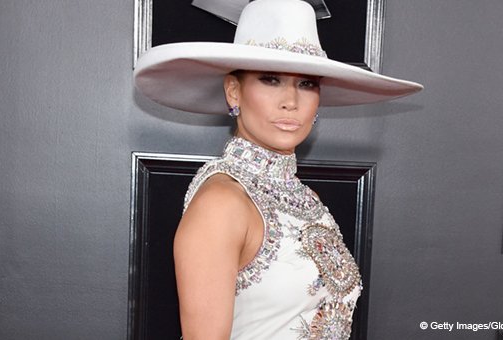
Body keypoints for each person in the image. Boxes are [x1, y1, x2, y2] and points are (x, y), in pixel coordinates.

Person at [133, 0, 422, 339]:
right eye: (270, 79)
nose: (291, 101)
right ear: (233, 91)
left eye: (307, 84)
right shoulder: (221, 202)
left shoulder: (306, 197)